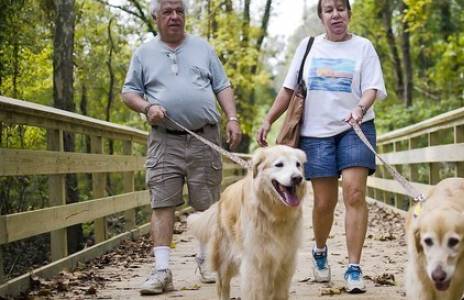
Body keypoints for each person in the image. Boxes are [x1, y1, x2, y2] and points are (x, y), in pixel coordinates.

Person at [257, 0, 386, 294]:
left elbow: (372, 88)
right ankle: (320, 250)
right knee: (324, 203)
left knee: (354, 193)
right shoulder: (308, 47)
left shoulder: (363, 47)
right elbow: (289, 89)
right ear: (322, 17)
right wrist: (268, 120)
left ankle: (354, 266)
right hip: (315, 133)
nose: (335, 14)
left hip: (355, 127)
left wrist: (360, 109)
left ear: (349, 14)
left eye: (340, 8)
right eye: (328, 9)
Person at [120, 0, 241, 295]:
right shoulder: (144, 53)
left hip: (204, 138)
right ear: (156, 17)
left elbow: (222, 86)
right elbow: (128, 92)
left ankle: (205, 260)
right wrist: (147, 107)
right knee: (162, 202)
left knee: (207, 203)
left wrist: (233, 118)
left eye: (180, 11)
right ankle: (162, 272)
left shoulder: (203, 48)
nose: (175, 17)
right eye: (168, 12)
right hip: (164, 140)